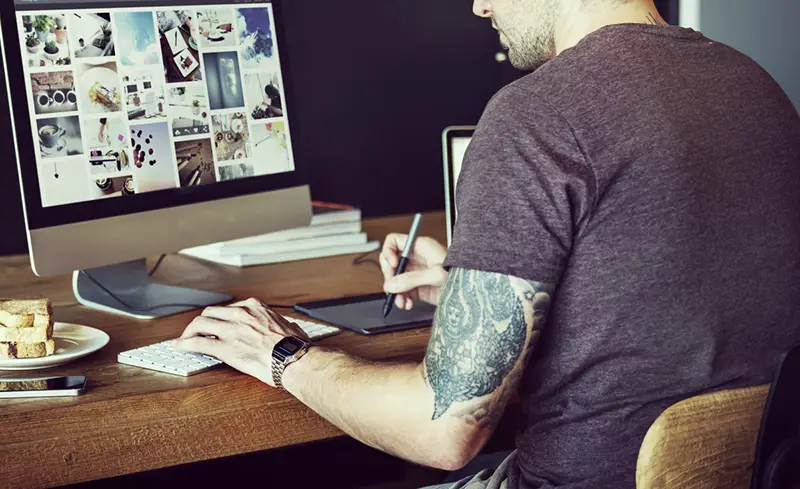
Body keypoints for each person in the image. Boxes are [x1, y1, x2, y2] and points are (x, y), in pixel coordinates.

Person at [175, 0, 800, 487]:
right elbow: (679, 295)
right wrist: (477, 285)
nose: (478, 7)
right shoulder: (756, 88)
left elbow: (442, 430)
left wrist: (285, 355)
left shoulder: (538, 115)